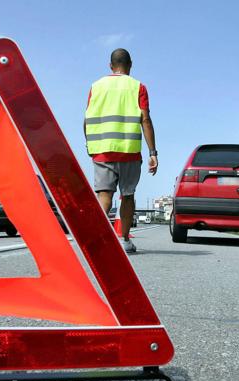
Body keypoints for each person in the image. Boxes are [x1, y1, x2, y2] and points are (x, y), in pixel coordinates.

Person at [84, 48, 158, 253]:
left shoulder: (96, 86)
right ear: (130, 65)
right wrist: (153, 153)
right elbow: (146, 119)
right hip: (129, 150)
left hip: (101, 150)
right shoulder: (138, 87)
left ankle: (95, 240)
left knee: (104, 195)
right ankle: (124, 240)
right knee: (128, 195)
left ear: (110, 66)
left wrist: (89, 145)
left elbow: (87, 118)